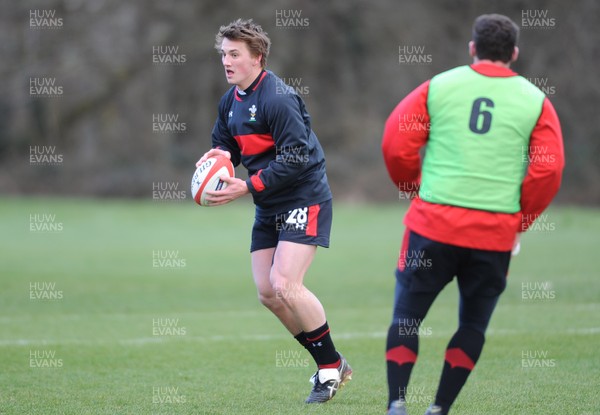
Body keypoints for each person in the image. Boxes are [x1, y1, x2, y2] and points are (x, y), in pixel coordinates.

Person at [381, 14, 564, 415]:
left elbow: (397, 144)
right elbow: (548, 169)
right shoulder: (536, 100)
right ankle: (440, 408)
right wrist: (520, 221)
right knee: (472, 326)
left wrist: (414, 190)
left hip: (431, 226)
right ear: (514, 54)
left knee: (407, 316)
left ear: (472, 49)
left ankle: (397, 403)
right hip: (493, 235)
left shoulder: (440, 86)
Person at [195, 18, 351, 404]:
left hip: (303, 197)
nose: (227, 62)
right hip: (269, 204)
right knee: (267, 292)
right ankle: (332, 363)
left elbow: (297, 157)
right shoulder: (230, 101)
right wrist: (218, 160)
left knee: (285, 283)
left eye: (235, 55)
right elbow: (226, 144)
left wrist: (247, 186)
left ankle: (328, 372)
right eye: (224, 54)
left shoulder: (277, 98)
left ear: (257, 58)